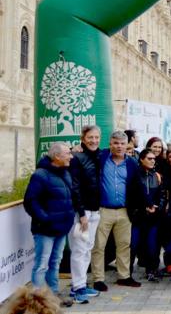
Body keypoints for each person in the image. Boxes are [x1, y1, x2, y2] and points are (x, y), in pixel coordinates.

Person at [24, 142, 76, 307]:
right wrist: (45, 218)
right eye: (68, 153)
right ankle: (38, 301)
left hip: (61, 228)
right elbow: (31, 201)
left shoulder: (64, 172)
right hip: (45, 229)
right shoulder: (40, 175)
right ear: (57, 157)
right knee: (42, 264)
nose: (71, 156)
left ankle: (53, 296)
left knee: (55, 262)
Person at [91, 131, 141, 291]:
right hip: (103, 210)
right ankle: (98, 279)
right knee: (99, 246)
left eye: (122, 143)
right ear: (110, 144)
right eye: (115, 143)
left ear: (127, 145)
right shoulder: (101, 158)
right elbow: (85, 152)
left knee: (124, 245)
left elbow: (137, 185)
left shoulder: (132, 163)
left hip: (124, 211)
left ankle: (124, 276)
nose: (119, 146)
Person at [68, 125, 103, 303]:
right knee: (79, 249)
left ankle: (81, 284)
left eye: (96, 137)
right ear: (83, 138)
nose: (94, 140)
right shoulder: (76, 157)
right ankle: (77, 288)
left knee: (87, 249)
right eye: (90, 137)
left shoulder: (99, 155)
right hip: (81, 213)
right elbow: (75, 187)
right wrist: (81, 213)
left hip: (96, 210)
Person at [127, 149, 166, 282]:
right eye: (149, 158)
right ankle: (127, 273)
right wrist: (143, 207)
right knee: (132, 245)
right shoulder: (134, 175)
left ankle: (151, 271)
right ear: (141, 159)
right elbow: (132, 196)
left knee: (153, 245)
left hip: (153, 217)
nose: (152, 160)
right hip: (138, 216)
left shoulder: (157, 176)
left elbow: (162, 195)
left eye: (154, 158)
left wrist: (158, 207)